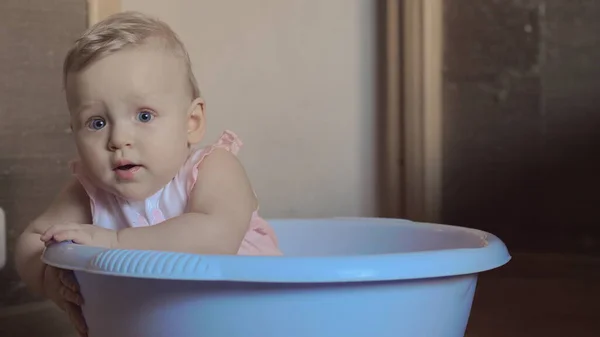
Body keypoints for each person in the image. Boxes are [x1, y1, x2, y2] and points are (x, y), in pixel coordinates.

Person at [14, 11, 282, 337]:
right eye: (96, 123)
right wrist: (49, 280)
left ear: (191, 122)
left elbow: (217, 235)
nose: (118, 139)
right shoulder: (90, 191)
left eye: (144, 115)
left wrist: (115, 242)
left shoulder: (212, 168)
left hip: (252, 317)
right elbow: (32, 241)